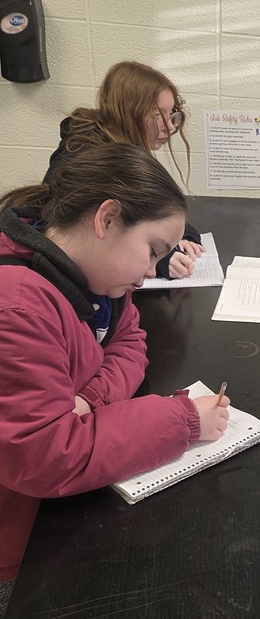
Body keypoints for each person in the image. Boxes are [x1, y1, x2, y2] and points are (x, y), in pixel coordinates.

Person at [0, 144, 231, 585]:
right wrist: (182, 419)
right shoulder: (17, 309)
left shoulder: (97, 282)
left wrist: (89, 399)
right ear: (106, 219)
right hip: (22, 539)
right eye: (151, 250)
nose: (148, 273)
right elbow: (45, 454)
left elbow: (130, 343)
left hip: (58, 509)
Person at [45, 60, 204, 280]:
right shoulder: (87, 163)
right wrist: (160, 261)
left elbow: (149, 212)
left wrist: (179, 238)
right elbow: (71, 238)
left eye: (171, 115)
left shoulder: (123, 153)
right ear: (129, 113)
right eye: (158, 116)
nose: (169, 126)